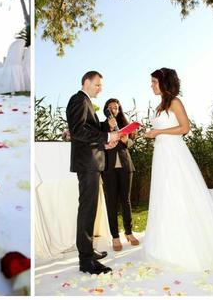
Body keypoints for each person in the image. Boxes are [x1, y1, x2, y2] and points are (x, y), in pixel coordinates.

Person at [143, 67, 213, 271]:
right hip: (162, 155)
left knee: (180, 194)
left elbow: (185, 128)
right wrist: (151, 133)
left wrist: (158, 132)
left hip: (174, 155)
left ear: (164, 82)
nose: (151, 85)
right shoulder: (159, 106)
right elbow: (162, 130)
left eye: (154, 82)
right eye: (152, 82)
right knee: (165, 196)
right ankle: (166, 244)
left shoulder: (174, 101)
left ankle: (190, 245)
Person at [66, 71, 119, 275]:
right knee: (87, 209)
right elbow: (79, 131)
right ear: (86, 82)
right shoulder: (78, 100)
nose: (100, 89)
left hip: (92, 162)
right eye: (97, 85)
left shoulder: (85, 101)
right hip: (87, 164)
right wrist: (107, 135)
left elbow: (89, 131)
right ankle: (85, 260)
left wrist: (106, 135)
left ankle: (88, 251)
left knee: (90, 209)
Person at [101, 98, 139, 251]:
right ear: (106, 109)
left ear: (119, 109)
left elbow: (131, 144)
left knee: (126, 200)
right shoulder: (101, 126)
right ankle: (115, 237)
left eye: (116, 107)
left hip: (125, 166)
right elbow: (98, 145)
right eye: (110, 107)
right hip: (108, 168)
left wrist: (126, 140)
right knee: (111, 202)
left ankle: (129, 233)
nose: (113, 110)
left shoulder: (125, 124)